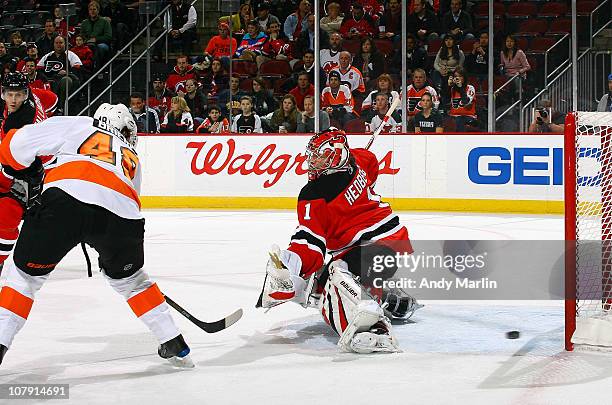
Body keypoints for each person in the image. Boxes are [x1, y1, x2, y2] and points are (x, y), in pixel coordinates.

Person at [0, 104, 193, 367]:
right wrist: (109, 252)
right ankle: (172, 339)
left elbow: (15, 146)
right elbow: (126, 204)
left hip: (66, 200)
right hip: (123, 220)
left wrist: (18, 167)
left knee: (23, 276)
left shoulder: (80, 123)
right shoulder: (132, 158)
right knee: (131, 279)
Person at [256, 128, 420, 354]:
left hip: (373, 248)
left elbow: (310, 243)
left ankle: (375, 330)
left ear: (335, 155)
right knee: (317, 286)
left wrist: (293, 262)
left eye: (320, 156)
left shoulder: (313, 194)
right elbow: (371, 164)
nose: (313, 162)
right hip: (395, 243)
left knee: (337, 274)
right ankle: (392, 300)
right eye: (313, 156)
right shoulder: (359, 160)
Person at [0, 73, 49, 269]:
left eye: (18, 95)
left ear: (25, 94)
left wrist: (5, 179)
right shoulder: (35, 95)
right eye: (9, 95)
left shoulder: (18, 123)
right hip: (34, 160)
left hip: (34, 170)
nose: (13, 100)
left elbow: (12, 165)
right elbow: (51, 99)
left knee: (8, 213)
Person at [37, 36, 82, 114]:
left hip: (63, 79)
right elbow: (38, 68)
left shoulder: (70, 55)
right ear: (53, 44)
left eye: (61, 43)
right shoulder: (48, 56)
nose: (58, 45)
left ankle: (61, 107)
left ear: (65, 44)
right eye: (56, 43)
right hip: (48, 80)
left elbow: (78, 68)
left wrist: (67, 72)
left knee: (66, 80)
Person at [80, 1, 113, 70]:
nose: (92, 11)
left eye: (94, 9)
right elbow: (81, 36)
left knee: (100, 47)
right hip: (88, 43)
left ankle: (98, 68)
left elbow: (108, 37)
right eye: (90, 9)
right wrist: (87, 40)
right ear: (88, 11)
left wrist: (96, 39)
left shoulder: (105, 22)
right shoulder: (84, 23)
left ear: (98, 10)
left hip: (101, 44)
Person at [433, 33, 464, 105]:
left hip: (452, 73)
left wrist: (449, 70)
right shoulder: (441, 50)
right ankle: (438, 91)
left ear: (454, 41)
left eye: (450, 39)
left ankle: (446, 101)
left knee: (449, 78)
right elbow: (435, 64)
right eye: (446, 40)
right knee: (435, 72)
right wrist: (440, 70)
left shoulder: (459, 52)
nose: (448, 42)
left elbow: (460, 67)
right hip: (440, 72)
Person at [447, 67, 477, 131]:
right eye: (455, 76)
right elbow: (445, 102)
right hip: (453, 116)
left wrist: (460, 87)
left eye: (460, 76)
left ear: (464, 78)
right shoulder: (452, 89)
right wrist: (447, 87)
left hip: (468, 116)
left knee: (460, 119)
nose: (457, 78)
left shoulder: (470, 88)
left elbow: (465, 101)